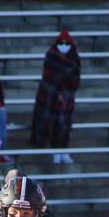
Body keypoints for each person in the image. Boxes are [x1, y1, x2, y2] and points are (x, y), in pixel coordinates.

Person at [29, 29, 81, 165]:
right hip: (50, 98)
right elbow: (48, 80)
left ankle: (63, 149)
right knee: (51, 123)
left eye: (66, 43)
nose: (64, 46)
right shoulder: (51, 59)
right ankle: (54, 150)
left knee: (64, 124)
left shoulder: (75, 61)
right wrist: (56, 92)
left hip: (66, 99)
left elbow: (75, 81)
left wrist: (65, 92)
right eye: (61, 43)